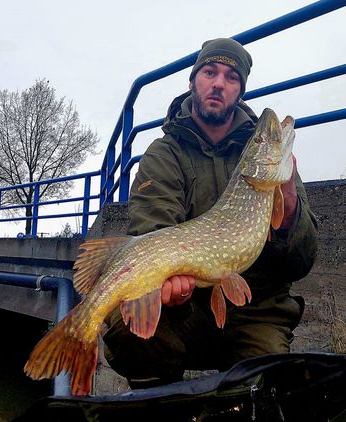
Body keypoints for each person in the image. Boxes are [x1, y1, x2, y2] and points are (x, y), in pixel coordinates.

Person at [103, 38, 318, 389]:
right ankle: (159, 404)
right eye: (210, 72)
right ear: (192, 82)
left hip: (258, 310)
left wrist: (290, 200)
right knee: (126, 328)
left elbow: (301, 263)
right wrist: (174, 285)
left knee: (267, 391)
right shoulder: (163, 153)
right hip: (186, 312)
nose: (219, 82)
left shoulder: (269, 167)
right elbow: (153, 229)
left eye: (232, 77)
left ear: (240, 92)